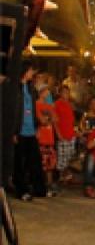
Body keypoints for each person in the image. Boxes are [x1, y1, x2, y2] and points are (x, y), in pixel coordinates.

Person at [13, 60, 47, 201]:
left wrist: (37, 126)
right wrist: (13, 132)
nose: (32, 73)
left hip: (31, 130)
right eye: (31, 71)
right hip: (19, 131)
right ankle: (21, 190)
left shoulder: (31, 89)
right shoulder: (15, 88)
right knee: (19, 163)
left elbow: (33, 110)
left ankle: (40, 189)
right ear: (25, 71)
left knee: (36, 161)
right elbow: (13, 111)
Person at [34, 74, 59, 197]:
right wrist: (48, 119)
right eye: (46, 91)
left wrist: (48, 119)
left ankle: (49, 186)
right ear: (41, 92)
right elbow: (42, 120)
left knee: (50, 164)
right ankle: (42, 186)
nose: (48, 93)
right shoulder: (37, 105)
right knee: (42, 164)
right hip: (41, 138)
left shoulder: (49, 105)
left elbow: (55, 119)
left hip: (50, 138)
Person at [53, 84, 77, 184]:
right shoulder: (57, 104)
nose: (66, 94)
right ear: (60, 93)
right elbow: (55, 121)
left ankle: (67, 177)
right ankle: (61, 177)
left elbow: (72, 120)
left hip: (71, 134)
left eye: (67, 92)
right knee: (62, 157)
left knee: (69, 157)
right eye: (64, 92)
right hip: (62, 134)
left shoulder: (70, 104)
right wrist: (58, 134)